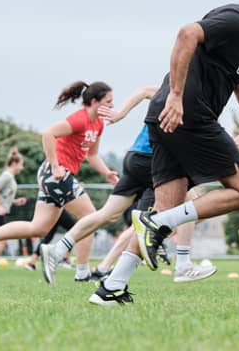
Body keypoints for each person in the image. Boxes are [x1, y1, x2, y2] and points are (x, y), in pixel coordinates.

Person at [88, 0, 239, 306]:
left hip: (168, 118)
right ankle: (155, 223)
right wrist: (178, 97)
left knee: (167, 209)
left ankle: (111, 286)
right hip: (189, 115)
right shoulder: (236, 19)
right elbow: (186, 34)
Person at [41, 86, 218, 285]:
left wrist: (120, 114)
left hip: (135, 157)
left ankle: (57, 251)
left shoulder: (177, 91)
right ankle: (182, 264)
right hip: (152, 160)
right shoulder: (185, 91)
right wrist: (120, 114)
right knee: (186, 205)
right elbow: (144, 93)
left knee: (108, 214)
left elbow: (143, 92)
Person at [0, 81, 119, 282]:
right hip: (55, 174)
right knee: (90, 218)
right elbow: (48, 134)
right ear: (94, 101)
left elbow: (92, 155)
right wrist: (56, 166)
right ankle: (81, 273)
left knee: (38, 228)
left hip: (56, 176)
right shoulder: (80, 119)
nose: (112, 106)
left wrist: (107, 173)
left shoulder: (98, 124)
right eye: (108, 102)